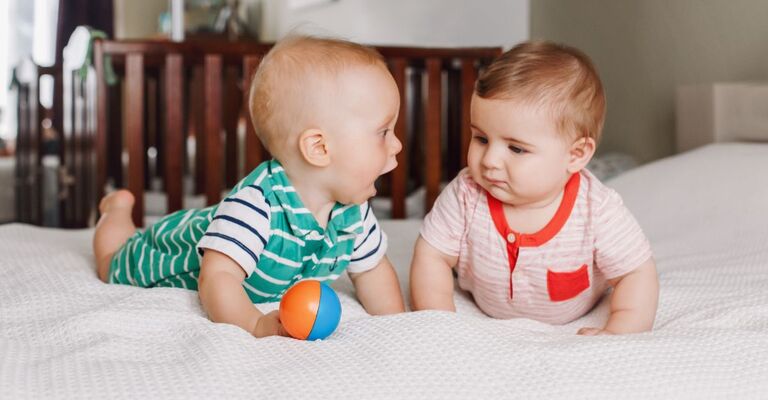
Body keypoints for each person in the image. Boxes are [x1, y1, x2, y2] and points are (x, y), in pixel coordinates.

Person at [93, 35, 406, 338]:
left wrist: (399, 327)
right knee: (113, 263)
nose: (397, 145)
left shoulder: (353, 213)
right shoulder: (257, 205)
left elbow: (372, 272)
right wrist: (254, 324)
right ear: (319, 148)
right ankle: (117, 210)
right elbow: (217, 277)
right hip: (172, 251)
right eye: (383, 132)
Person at [410, 40, 658, 335]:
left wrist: (619, 332)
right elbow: (432, 255)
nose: (490, 160)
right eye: (481, 139)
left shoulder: (596, 210)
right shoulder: (466, 194)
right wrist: (439, 323)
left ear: (575, 155)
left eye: (516, 149)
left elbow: (636, 273)